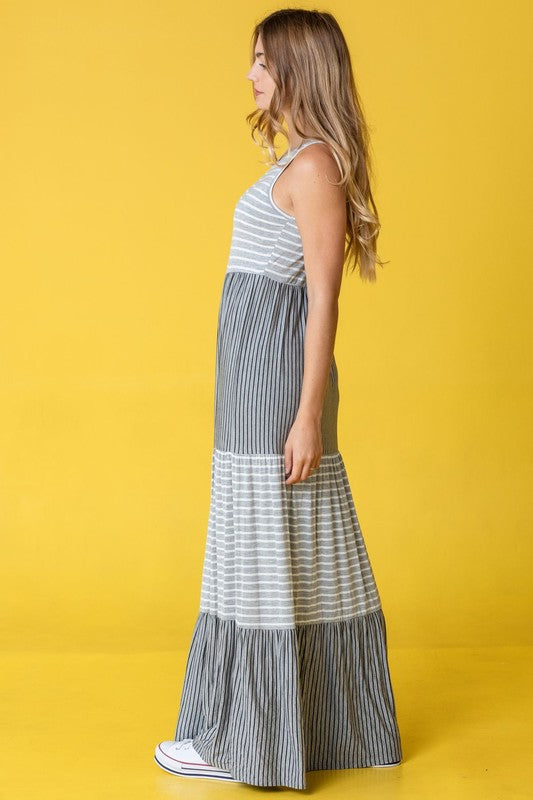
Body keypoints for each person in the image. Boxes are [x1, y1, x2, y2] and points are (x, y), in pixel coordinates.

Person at [154, 7, 402, 790]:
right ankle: (281, 725)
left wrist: (303, 416)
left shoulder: (315, 168)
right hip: (251, 384)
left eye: (262, 60)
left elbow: (323, 300)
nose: (250, 74)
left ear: (297, 68)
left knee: (260, 553)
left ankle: (244, 741)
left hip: (277, 391)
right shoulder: (292, 162)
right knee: (258, 548)